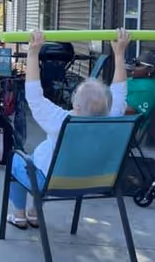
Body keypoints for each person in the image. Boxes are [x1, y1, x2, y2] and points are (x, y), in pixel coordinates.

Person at [7, 28, 130, 229]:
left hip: (52, 182)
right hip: (91, 181)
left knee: (17, 160)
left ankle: (19, 215)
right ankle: (34, 212)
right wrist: (119, 53)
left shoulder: (62, 120)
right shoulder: (112, 118)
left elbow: (34, 96)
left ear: (78, 106)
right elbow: (119, 90)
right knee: (53, 163)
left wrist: (33, 53)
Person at [125, 46, 155, 117]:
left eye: (137, 64)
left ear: (150, 69)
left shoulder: (147, 89)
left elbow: (130, 112)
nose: (133, 66)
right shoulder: (137, 80)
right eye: (133, 62)